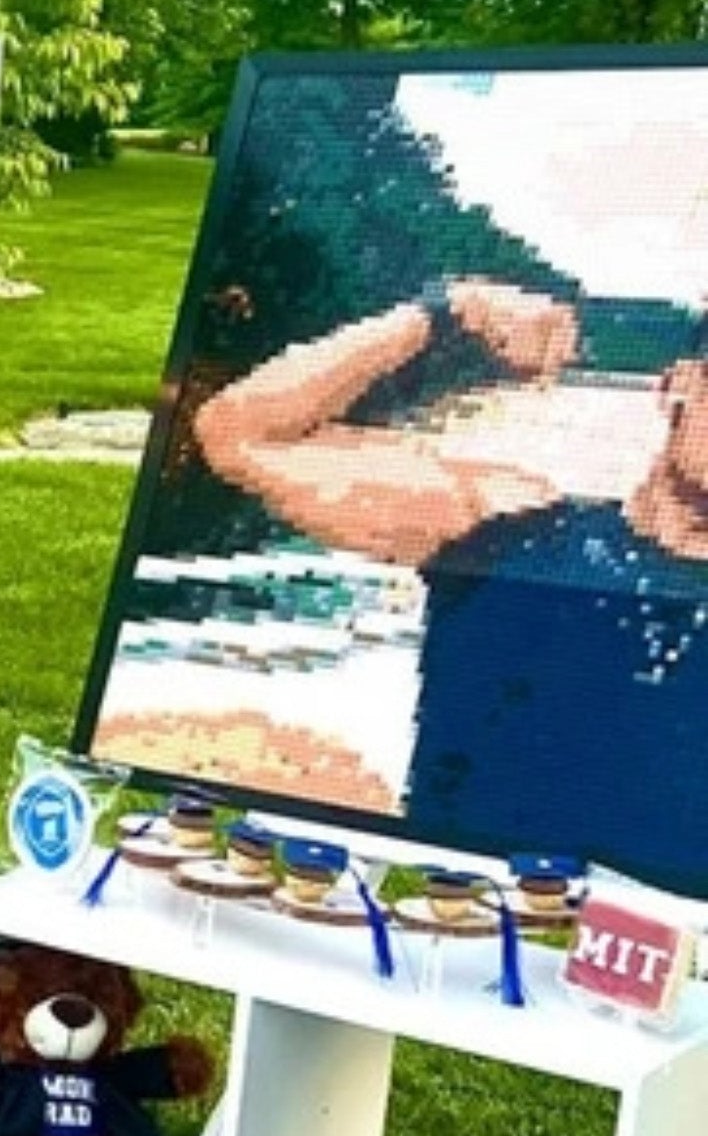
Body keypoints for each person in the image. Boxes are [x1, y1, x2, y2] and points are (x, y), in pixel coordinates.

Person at [196, 277, 708, 886]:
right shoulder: (509, 524)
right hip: (454, 917)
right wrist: (448, 309)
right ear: (677, 384)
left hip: (667, 949)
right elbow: (237, 434)